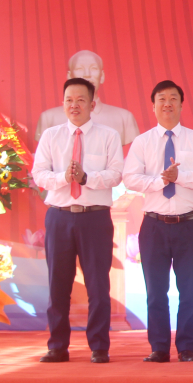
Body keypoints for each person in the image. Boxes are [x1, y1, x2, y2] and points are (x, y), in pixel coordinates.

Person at [122, 80, 193, 363]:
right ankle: (159, 348)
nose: (167, 104)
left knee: (190, 291)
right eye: (162, 99)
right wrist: (159, 181)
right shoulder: (142, 142)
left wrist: (182, 177)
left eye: (173, 98)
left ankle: (187, 348)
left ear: (181, 104)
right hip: (154, 226)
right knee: (156, 291)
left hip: (188, 225)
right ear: (153, 106)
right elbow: (129, 178)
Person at [31, 77, 124, 364]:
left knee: (98, 285)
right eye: (69, 100)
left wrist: (86, 178)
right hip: (59, 217)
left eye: (81, 100)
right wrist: (64, 178)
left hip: (94, 218)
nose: (74, 105)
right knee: (58, 284)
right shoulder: (51, 136)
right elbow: (39, 174)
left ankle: (99, 346)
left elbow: (116, 174)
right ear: (63, 104)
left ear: (92, 104)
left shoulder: (108, 135)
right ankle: (57, 345)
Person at [35, 50, 139, 145]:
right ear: (69, 76)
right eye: (80, 69)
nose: (87, 75)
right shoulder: (48, 118)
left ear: (102, 76)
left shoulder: (124, 118)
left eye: (93, 69)